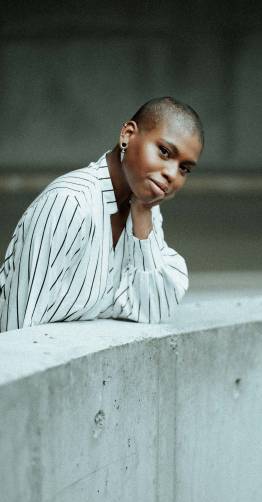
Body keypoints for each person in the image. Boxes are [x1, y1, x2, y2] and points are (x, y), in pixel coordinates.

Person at [0, 96, 203, 333]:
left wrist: (142, 212)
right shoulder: (70, 202)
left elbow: (152, 309)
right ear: (127, 135)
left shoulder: (145, 208)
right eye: (164, 152)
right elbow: (19, 329)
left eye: (184, 168)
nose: (172, 174)